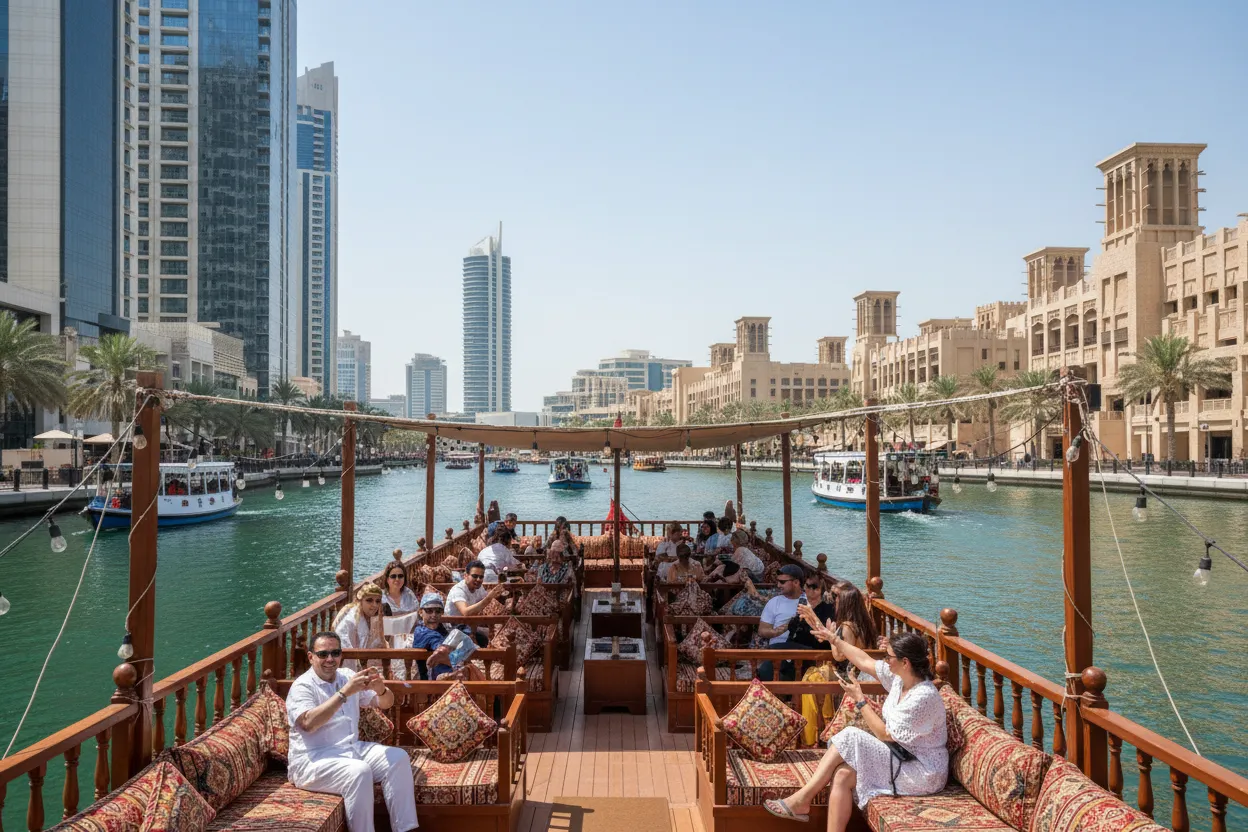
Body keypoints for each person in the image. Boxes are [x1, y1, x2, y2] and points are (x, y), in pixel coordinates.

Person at [763, 630, 947, 829]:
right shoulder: (899, 680)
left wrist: (860, 700)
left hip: (922, 770)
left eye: (889, 656)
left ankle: (802, 799)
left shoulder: (923, 697)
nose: (885, 660)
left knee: (851, 735)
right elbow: (864, 661)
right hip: (900, 757)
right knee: (843, 775)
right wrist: (833, 639)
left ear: (905, 663)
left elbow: (885, 734)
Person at [286, 632, 418, 832]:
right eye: (323, 654)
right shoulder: (302, 686)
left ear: (341, 655)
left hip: (350, 749)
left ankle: (405, 829)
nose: (330, 659)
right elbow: (308, 723)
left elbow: (385, 703)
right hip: (311, 760)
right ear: (311, 657)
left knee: (398, 757)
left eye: (335, 653)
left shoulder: (347, 676)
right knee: (359, 771)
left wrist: (382, 690)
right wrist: (344, 693)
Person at [755, 564, 806, 682]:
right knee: (767, 671)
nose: (779, 585)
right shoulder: (774, 602)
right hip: (778, 651)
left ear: (796, 583)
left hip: (802, 651)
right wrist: (781, 630)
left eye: (782, 582)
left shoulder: (809, 601)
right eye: (778, 582)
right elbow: (762, 630)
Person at [332, 584, 386, 670]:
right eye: (369, 600)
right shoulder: (351, 621)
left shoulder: (369, 615)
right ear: (360, 601)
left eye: (378, 601)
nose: (375, 605)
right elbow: (346, 651)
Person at [408, 593, 459, 679]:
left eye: (438, 611)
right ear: (420, 612)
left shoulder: (442, 627)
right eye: (429, 611)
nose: (434, 615)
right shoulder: (422, 631)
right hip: (430, 680)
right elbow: (441, 649)